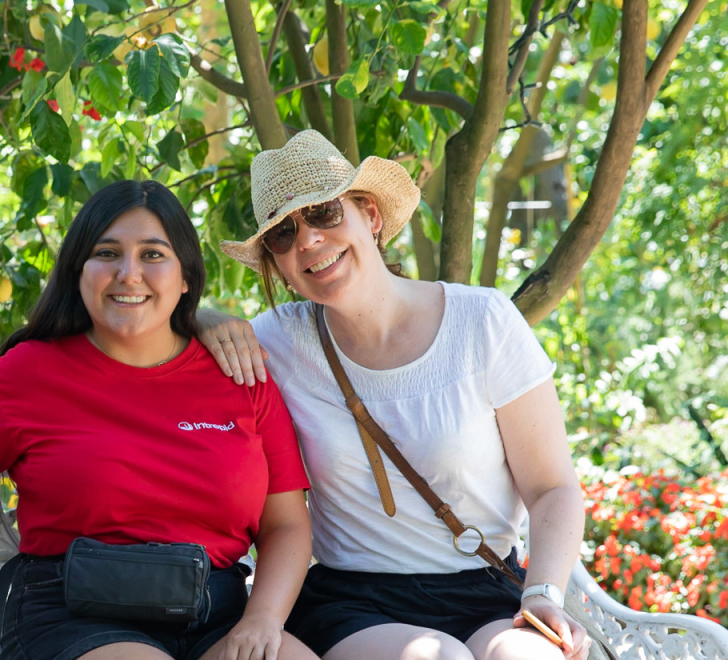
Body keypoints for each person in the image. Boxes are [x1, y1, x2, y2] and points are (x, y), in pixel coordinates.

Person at [0, 180, 317, 660]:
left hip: (218, 617)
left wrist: (262, 620)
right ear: (78, 272)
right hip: (73, 619)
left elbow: (286, 526)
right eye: (107, 253)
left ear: (186, 276)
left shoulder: (242, 374)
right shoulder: (28, 375)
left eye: (153, 255)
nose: (129, 273)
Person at [197, 130, 590, 660]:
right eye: (283, 235)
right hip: (354, 602)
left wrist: (544, 593)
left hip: (487, 587)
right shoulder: (276, 343)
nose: (308, 240)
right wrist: (201, 318)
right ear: (279, 265)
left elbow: (552, 487)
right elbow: (158, 331)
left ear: (370, 215)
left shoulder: (484, 322)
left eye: (324, 213)